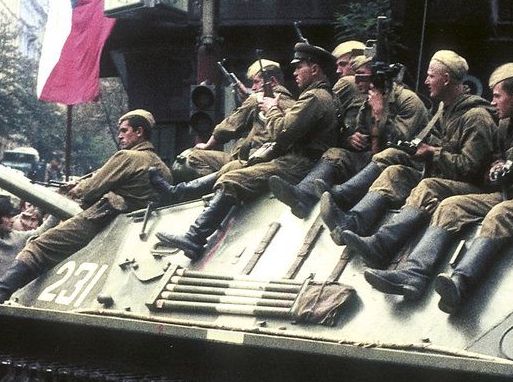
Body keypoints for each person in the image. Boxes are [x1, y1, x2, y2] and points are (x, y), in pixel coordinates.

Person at [365, 64, 513, 313]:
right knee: (450, 206)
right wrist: (497, 166)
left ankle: (461, 282)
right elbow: (498, 156)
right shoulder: (506, 125)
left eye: (497, 95)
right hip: (511, 191)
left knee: (500, 214)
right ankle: (413, 275)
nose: (493, 101)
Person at [0, 110, 170, 304]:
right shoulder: (163, 168)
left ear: (139, 132)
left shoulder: (128, 157)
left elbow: (90, 190)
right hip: (138, 228)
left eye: (124, 130)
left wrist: (77, 189)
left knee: (39, 245)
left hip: (104, 218)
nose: (120, 136)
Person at [157, 42, 340, 260]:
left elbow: (282, 132)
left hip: (299, 164)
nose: (295, 72)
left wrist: (271, 108)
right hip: (299, 161)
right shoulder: (321, 97)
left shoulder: (314, 97)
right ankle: (182, 193)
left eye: (299, 66)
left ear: (314, 69)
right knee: (234, 166)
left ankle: (195, 237)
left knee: (233, 178)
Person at [326, 50, 495, 248]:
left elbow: (470, 168)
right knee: (394, 172)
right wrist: (421, 149)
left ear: (446, 79)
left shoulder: (475, 116)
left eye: (431, 76)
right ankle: (352, 223)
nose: (426, 81)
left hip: (468, 186)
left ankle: (381, 245)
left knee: (427, 187)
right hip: (443, 174)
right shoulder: (445, 109)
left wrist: (432, 152)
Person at [270, 55, 428, 218]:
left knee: (387, 154)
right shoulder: (368, 103)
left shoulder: (408, 100)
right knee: (335, 153)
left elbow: (399, 142)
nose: (356, 81)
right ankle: (303, 194)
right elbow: (364, 137)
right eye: (355, 76)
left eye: (361, 76)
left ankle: (341, 195)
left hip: (409, 161)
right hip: (376, 156)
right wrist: (351, 139)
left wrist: (380, 114)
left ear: (377, 77)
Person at [155, 59, 295, 193]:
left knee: (190, 158)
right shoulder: (294, 104)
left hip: (247, 160)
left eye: (256, 82)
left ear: (271, 82)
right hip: (269, 163)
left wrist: (207, 145)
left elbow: (229, 126)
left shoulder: (257, 99)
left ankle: (209, 192)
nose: (253, 87)